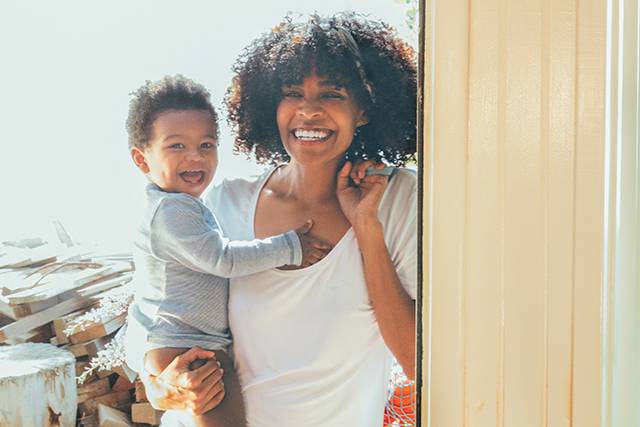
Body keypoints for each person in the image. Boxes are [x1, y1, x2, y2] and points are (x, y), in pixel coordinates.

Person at [136, 13, 417, 427]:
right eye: (291, 93)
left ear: (364, 110)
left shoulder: (396, 200)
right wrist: (166, 388)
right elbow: (152, 320)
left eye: (332, 94)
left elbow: (419, 361)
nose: (308, 111)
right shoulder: (224, 202)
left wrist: (367, 229)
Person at [122, 75, 333, 427]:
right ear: (142, 160)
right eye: (176, 146)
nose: (195, 156)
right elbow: (222, 259)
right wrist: (290, 246)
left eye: (206, 145)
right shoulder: (171, 210)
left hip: (192, 344)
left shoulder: (184, 206)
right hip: (188, 348)